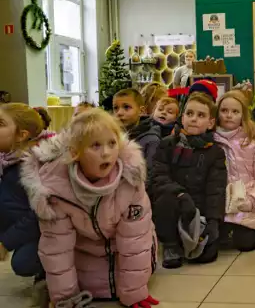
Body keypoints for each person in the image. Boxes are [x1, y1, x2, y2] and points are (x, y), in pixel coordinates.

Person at [21, 108, 158, 308]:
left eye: (112, 143)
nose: (106, 153)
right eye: (95, 145)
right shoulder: (55, 189)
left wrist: (134, 292)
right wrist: (66, 298)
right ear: (75, 153)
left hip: (122, 251)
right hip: (84, 251)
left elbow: (135, 241)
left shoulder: (131, 180)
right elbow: (57, 248)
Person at [150, 93, 227, 269]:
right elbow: (159, 176)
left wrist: (214, 221)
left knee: (206, 256)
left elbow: (216, 189)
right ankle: (170, 245)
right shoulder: (167, 144)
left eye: (201, 115)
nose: (194, 119)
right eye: (189, 113)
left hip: (198, 209)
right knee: (165, 199)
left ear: (210, 123)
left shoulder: (215, 152)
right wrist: (180, 194)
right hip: (173, 202)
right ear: (182, 117)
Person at [214, 91, 255, 252]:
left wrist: (253, 199)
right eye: (224, 110)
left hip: (246, 206)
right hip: (216, 207)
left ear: (243, 115)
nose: (229, 115)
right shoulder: (210, 139)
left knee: (247, 244)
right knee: (215, 244)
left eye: (235, 112)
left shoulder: (253, 141)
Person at [0, 103, 49, 303]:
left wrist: (6, 242)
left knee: (23, 263)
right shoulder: (5, 161)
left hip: (43, 230)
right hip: (13, 222)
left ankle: (52, 269)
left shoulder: (32, 167)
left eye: (0, 123)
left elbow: (39, 213)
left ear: (21, 135)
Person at [137, 96, 179, 169]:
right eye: (160, 109)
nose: (163, 112)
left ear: (176, 118)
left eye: (170, 112)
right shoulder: (143, 127)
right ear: (153, 112)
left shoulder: (176, 135)